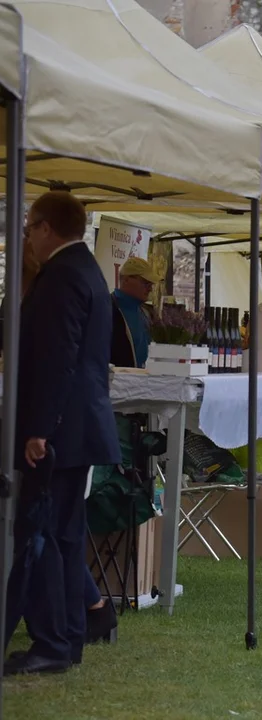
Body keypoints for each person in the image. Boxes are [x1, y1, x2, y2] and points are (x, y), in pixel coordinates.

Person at [5, 191, 121, 675]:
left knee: (48, 537)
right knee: (65, 536)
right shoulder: (85, 270)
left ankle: (52, 642)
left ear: (48, 227)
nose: (28, 236)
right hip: (76, 426)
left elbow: (57, 357)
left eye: (30, 227)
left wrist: (38, 428)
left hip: (60, 429)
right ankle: (68, 636)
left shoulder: (63, 276)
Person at [110, 256, 160, 369]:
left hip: (146, 382)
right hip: (116, 383)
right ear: (126, 279)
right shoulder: (107, 309)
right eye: (145, 283)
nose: (150, 289)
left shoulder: (148, 312)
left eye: (151, 284)